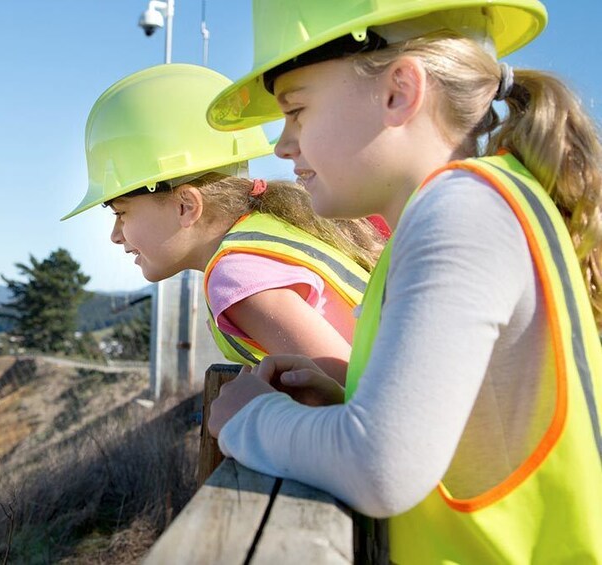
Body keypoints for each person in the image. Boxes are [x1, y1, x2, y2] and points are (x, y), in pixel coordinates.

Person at [205, 1, 602, 562]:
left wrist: (250, 417)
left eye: (296, 110)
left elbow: (381, 467)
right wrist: (345, 401)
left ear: (399, 92)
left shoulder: (463, 212)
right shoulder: (467, 204)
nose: (281, 145)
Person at [62, 63, 382, 388]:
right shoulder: (267, 233)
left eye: (121, 213)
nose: (115, 236)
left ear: (186, 206)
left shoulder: (236, 277)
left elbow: (354, 397)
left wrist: (247, 419)